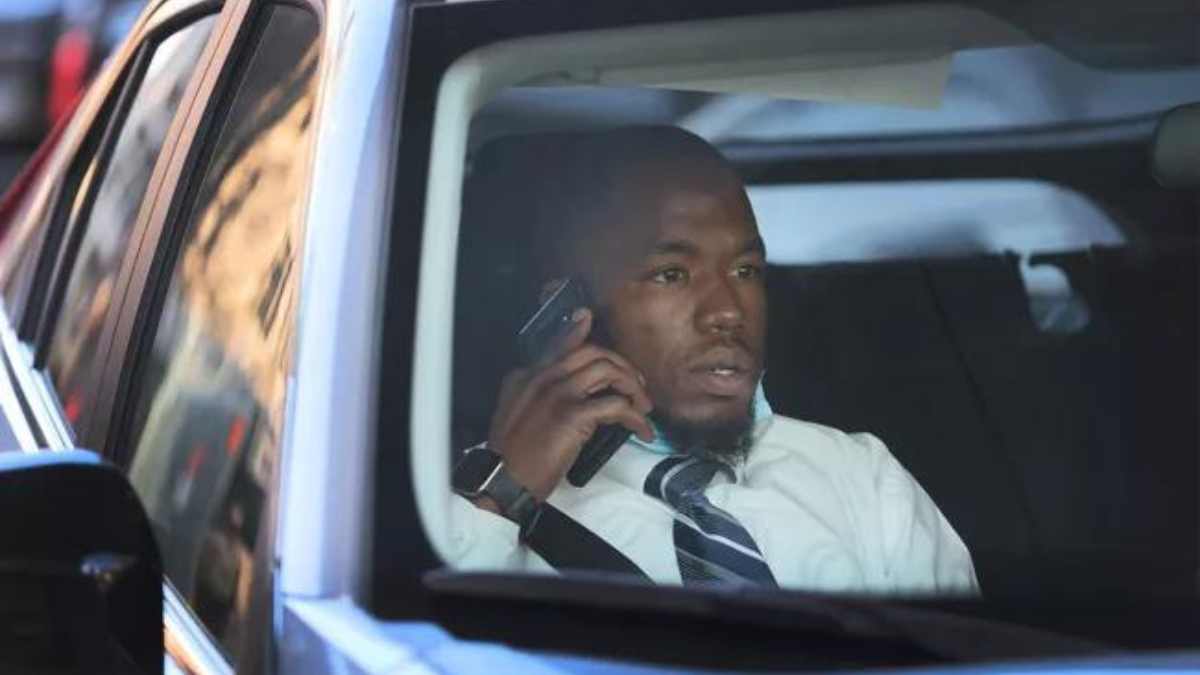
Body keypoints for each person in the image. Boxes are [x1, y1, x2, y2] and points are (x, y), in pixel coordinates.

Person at [448, 126, 978, 594]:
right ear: (569, 313)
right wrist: (501, 492)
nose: (727, 311)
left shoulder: (861, 477)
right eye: (671, 275)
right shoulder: (474, 504)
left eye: (746, 270)